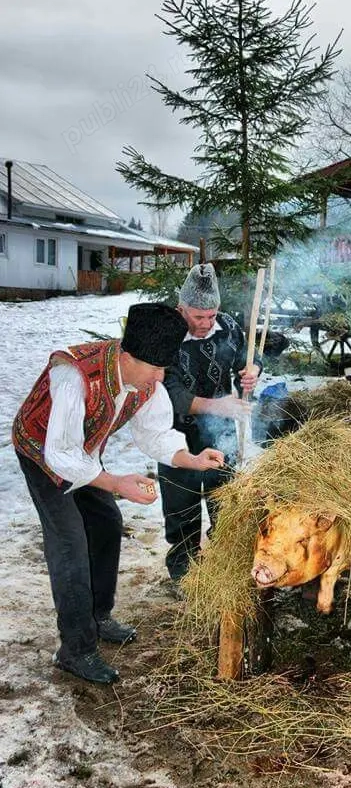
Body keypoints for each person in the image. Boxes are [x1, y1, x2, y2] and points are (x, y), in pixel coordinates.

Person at [12, 302, 226, 685]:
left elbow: (154, 434)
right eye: (155, 368)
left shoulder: (146, 381)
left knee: (107, 522)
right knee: (70, 543)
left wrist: (191, 459)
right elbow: (61, 454)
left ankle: (99, 616)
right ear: (127, 357)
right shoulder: (74, 375)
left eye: (164, 368)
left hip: (84, 452)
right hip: (43, 451)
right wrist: (114, 482)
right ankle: (76, 650)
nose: (160, 377)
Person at [159, 263, 261, 583]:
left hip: (222, 432)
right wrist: (217, 406)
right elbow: (170, 391)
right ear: (182, 308)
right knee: (181, 504)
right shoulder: (166, 334)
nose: (205, 323)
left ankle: (225, 563)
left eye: (211, 315)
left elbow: (249, 356)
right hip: (176, 433)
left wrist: (251, 371)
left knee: (224, 497)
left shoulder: (227, 326)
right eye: (198, 316)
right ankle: (185, 573)